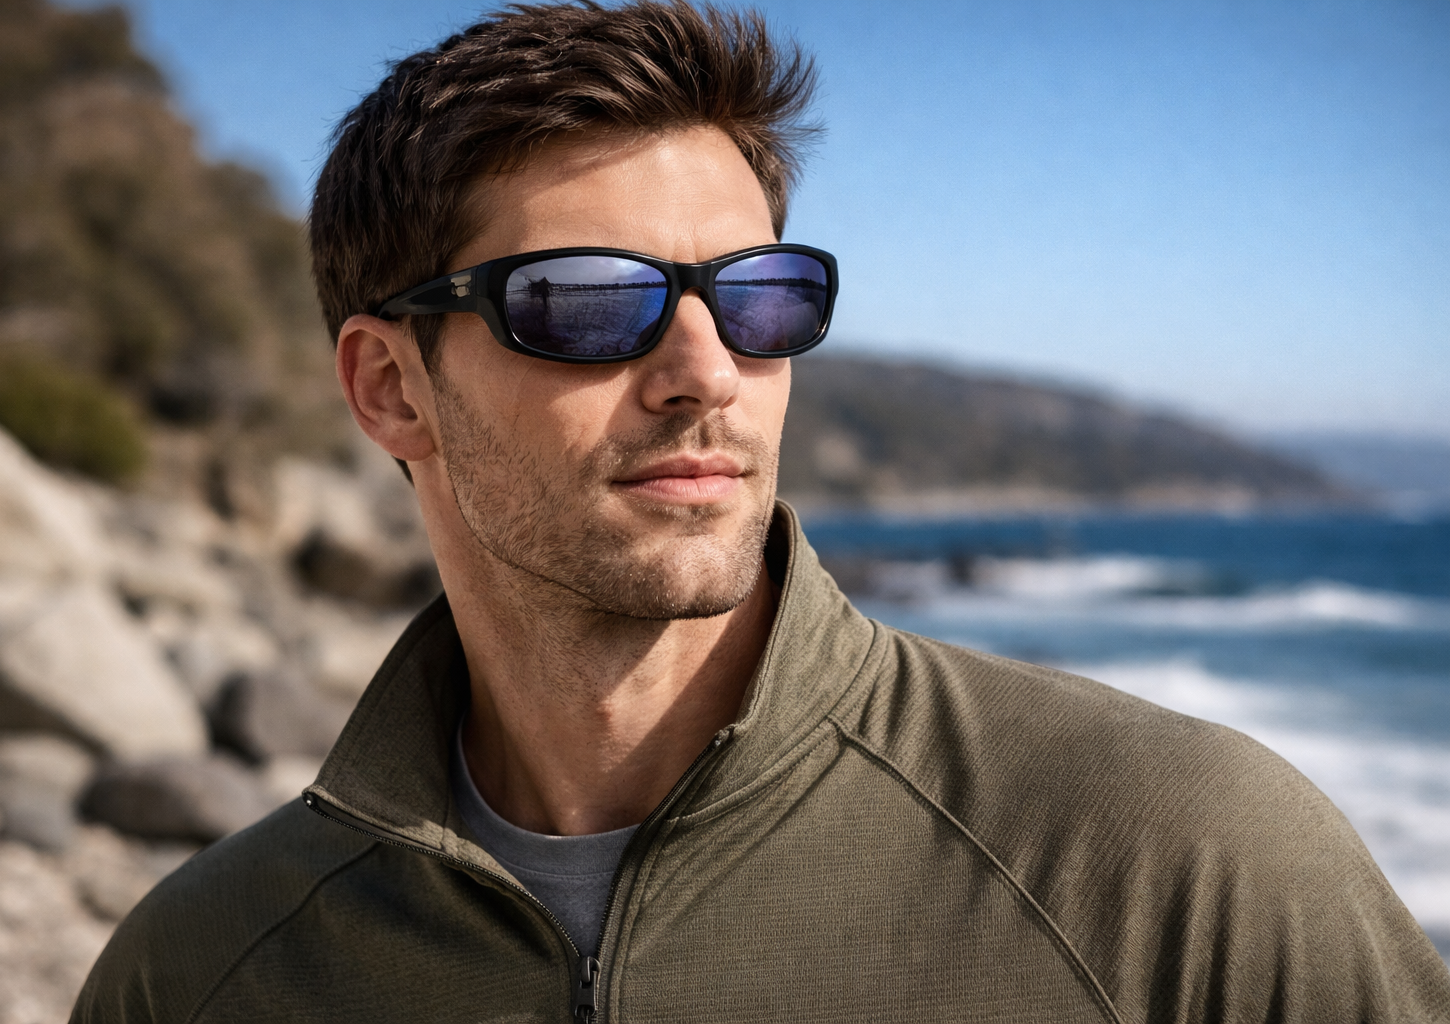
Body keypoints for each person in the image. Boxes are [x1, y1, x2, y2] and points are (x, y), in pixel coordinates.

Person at [71, 3, 1450, 1021]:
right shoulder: (198, 975)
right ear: (391, 388)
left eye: (760, 297)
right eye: (586, 302)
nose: (707, 371)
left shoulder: (1180, 865)